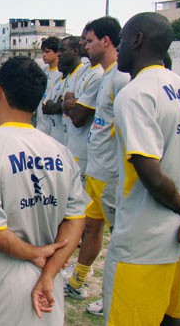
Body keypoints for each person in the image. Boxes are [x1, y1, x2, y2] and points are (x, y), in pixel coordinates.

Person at [0, 56, 89, 325]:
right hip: (47, 292)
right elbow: (76, 219)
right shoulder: (62, 153)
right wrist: (49, 273)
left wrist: (35, 254)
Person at [103, 12, 180, 326]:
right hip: (177, 241)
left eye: (122, 38)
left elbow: (148, 169)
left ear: (137, 40)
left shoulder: (135, 94)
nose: (119, 47)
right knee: (169, 318)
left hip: (141, 241)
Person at [63, 16, 130, 317]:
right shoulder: (105, 76)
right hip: (97, 171)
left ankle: (114, 296)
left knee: (120, 241)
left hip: (113, 176)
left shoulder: (121, 78)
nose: (85, 47)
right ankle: (78, 281)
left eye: (89, 41)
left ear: (106, 40)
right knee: (90, 227)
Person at [61, 28, 103, 184]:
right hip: (71, 146)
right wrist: (68, 104)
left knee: (82, 201)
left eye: (87, 40)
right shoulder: (84, 69)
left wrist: (70, 104)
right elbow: (67, 100)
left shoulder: (98, 75)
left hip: (84, 152)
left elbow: (78, 118)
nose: (83, 45)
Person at [36, 36, 62, 134]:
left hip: (53, 126)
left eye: (47, 52)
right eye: (43, 52)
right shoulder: (43, 70)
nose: (44, 55)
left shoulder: (61, 73)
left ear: (57, 53)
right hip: (40, 122)